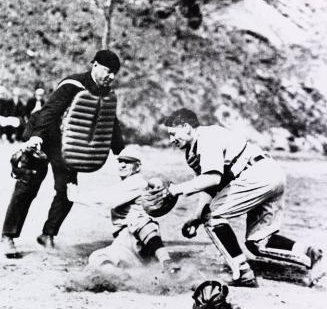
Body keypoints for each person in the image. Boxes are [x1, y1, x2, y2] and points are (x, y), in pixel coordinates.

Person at [161, 108, 325, 287]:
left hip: (255, 175)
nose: (171, 140)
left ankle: (242, 272)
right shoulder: (195, 148)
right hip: (270, 172)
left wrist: (176, 189)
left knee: (213, 216)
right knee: (259, 242)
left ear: (186, 127)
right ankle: (310, 254)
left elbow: (213, 178)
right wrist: (196, 216)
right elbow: (211, 184)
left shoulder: (205, 138)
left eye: (173, 134)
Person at [0, 49, 125, 258]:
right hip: (43, 134)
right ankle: (8, 236)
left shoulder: (106, 94)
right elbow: (50, 111)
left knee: (67, 191)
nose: (111, 76)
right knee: (27, 185)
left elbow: (110, 123)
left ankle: (48, 233)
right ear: (94, 65)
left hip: (66, 145)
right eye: (107, 71)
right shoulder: (72, 84)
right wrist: (36, 138)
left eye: (114, 73)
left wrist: (121, 152)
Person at [67, 146, 180, 273]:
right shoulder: (130, 183)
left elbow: (106, 198)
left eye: (128, 162)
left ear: (137, 167)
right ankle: (122, 278)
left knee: (138, 220)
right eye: (120, 161)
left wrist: (77, 196)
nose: (122, 165)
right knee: (98, 258)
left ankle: (166, 261)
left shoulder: (136, 182)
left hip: (139, 240)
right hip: (125, 243)